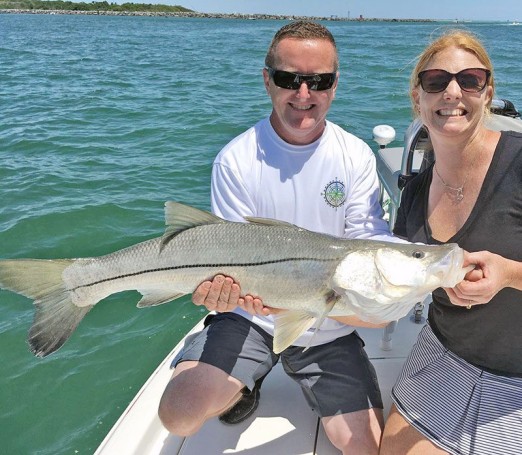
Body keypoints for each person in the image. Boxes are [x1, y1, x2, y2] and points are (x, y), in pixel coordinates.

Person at [158, 21, 395, 454]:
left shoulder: (356, 155)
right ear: (267, 79)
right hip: (250, 317)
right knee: (179, 413)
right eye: (289, 79)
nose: (304, 94)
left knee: (366, 447)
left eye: (319, 81)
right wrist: (220, 294)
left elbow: (367, 241)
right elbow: (224, 254)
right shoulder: (236, 159)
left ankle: (305, 372)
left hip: (330, 324)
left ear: (335, 85)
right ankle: (246, 385)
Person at [380, 29, 522, 455]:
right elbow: (398, 292)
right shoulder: (414, 193)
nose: (453, 91)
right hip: (446, 356)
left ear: (488, 92)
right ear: (418, 98)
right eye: (436, 81)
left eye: (471, 80)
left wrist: (510, 274)